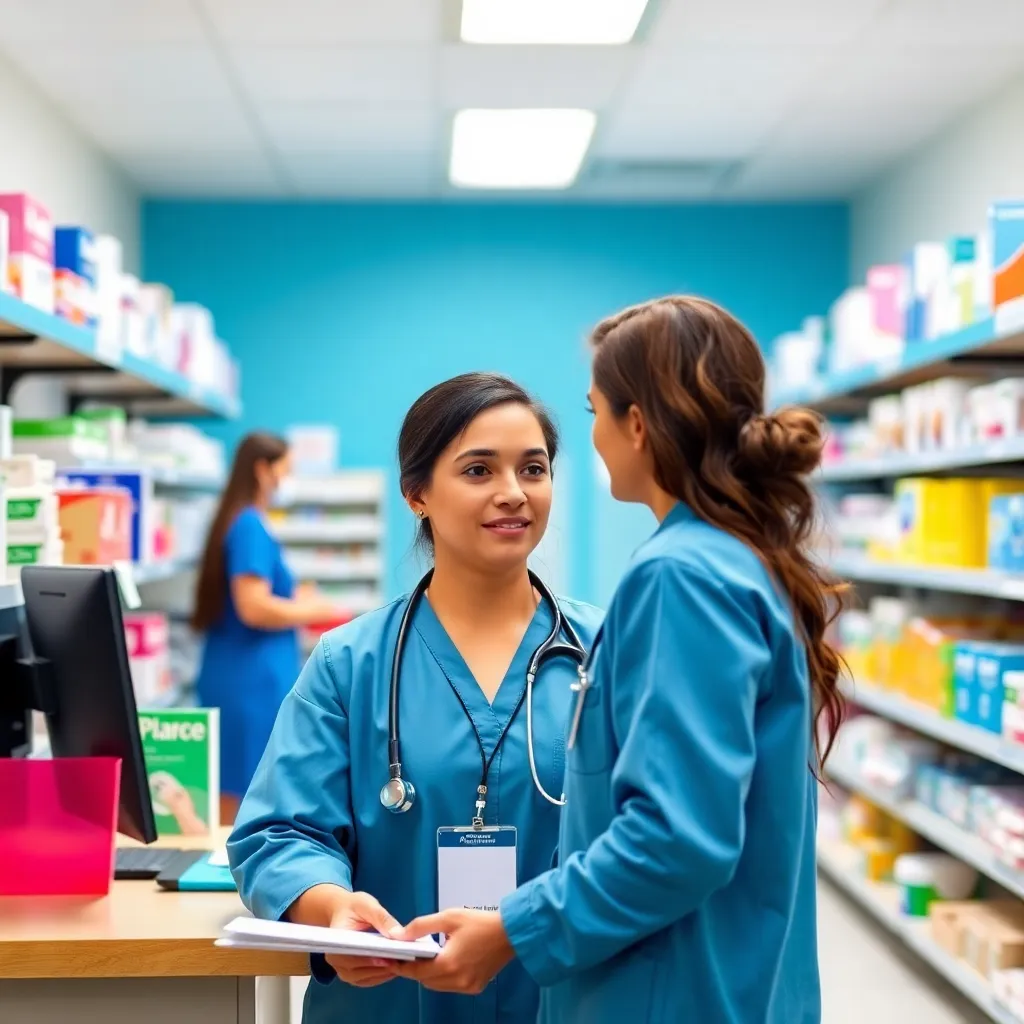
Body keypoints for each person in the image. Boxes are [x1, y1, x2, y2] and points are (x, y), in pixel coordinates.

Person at [392, 297, 846, 1024]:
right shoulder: (739, 559)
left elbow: (678, 838)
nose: (593, 435)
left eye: (596, 411)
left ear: (636, 425)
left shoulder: (681, 578)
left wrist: (513, 930)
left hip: (671, 995)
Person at [227, 373, 603, 1024]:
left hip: (561, 1000)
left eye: (533, 468)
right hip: (389, 1003)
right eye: (479, 470)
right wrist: (329, 910)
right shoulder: (351, 663)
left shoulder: (608, 653)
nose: (513, 493)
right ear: (416, 493)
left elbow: (652, 839)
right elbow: (279, 831)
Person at [192, 431, 340, 823]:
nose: (285, 482)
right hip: (248, 684)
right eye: (284, 471)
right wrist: (311, 609)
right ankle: (226, 873)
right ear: (262, 470)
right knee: (242, 792)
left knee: (243, 785)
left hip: (243, 675)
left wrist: (295, 600)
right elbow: (253, 607)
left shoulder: (239, 521)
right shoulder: (249, 527)